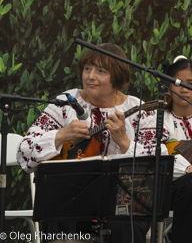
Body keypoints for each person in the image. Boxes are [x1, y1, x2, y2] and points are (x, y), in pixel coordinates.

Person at [16, 43, 149, 243]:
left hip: (121, 203)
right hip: (70, 200)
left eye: (101, 71)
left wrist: (123, 141)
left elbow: (154, 162)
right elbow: (24, 152)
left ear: (118, 77)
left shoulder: (138, 110)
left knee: (126, 224)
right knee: (61, 216)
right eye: (87, 68)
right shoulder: (64, 104)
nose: (90, 76)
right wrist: (60, 135)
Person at [134, 58, 192, 243]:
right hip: (164, 189)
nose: (184, 89)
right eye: (178, 83)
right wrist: (189, 170)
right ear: (168, 85)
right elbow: (153, 154)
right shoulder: (155, 119)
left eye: (191, 83)